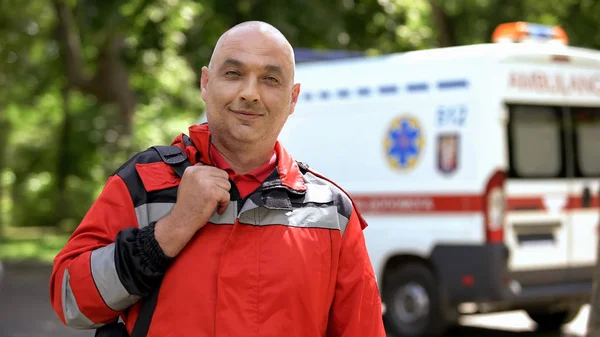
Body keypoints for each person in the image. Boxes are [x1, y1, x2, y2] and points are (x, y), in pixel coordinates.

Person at [49, 21, 386, 337]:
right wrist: (172, 229)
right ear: (206, 84)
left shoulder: (331, 212)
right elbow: (71, 301)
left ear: (293, 98)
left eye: (270, 79)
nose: (250, 93)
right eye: (233, 73)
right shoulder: (144, 183)